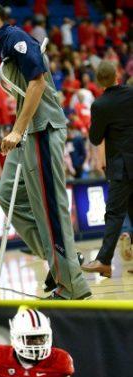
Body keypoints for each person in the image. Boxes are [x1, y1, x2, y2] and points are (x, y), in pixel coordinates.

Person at [0, 2, 90, 299]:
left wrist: (17, 129)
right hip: (28, 131)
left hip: (42, 129)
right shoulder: (3, 45)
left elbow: (37, 84)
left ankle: (71, 286)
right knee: (7, 193)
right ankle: (63, 261)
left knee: (49, 210)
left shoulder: (16, 39)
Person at [81, 60, 133, 277]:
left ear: (98, 82)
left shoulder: (100, 105)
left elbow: (95, 138)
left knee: (113, 213)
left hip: (122, 167)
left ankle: (103, 260)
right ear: (117, 75)